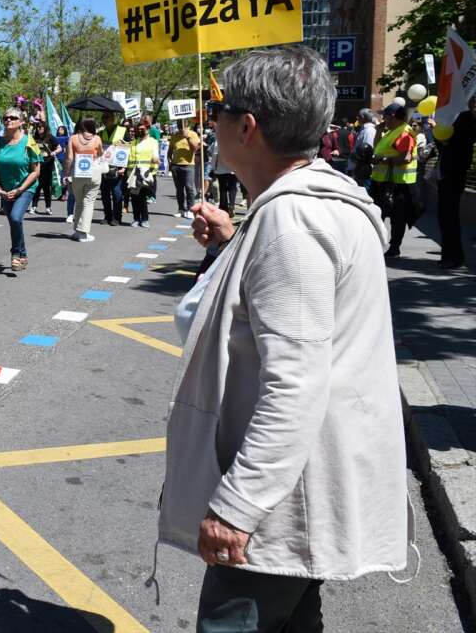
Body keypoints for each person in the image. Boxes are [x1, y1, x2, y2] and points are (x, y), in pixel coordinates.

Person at [159, 46, 407, 631]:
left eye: (217, 110)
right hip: (299, 484)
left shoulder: (291, 221)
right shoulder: (314, 203)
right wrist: (231, 243)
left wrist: (238, 506)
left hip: (278, 501)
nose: (208, 121)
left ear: (247, 127)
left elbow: (294, 384)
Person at [0, 107, 42, 271]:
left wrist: (20, 189)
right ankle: (23, 255)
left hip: (25, 188)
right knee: (14, 222)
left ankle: (15, 254)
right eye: (5, 118)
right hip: (5, 190)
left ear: (22, 122)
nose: (8, 120)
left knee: (16, 218)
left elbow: (35, 171)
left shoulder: (29, 142)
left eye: (12, 117)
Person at [432, 95, 475, 270]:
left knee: (449, 217)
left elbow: (457, 144)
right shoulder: (455, 121)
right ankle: (449, 255)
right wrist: (437, 133)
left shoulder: (465, 120)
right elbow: (443, 147)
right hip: (446, 175)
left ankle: (454, 257)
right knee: (444, 217)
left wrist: (445, 131)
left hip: (453, 174)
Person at [370, 103, 417, 259]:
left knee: (397, 219)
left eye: (386, 116)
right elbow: (377, 148)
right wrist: (378, 131)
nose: (383, 119)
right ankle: (374, 245)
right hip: (383, 182)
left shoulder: (404, 133)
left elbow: (406, 157)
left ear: (393, 117)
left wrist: (385, 160)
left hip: (397, 184)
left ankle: (394, 248)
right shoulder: (392, 132)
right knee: (377, 214)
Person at [65, 117, 103, 242]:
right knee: (89, 202)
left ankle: (77, 230)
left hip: (78, 173)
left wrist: (66, 173)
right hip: (93, 173)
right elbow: (100, 154)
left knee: (79, 201)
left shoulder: (73, 138)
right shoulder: (97, 139)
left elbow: (69, 158)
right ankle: (83, 233)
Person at [126, 120, 159, 228]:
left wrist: (155, 159)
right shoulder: (133, 142)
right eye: (138, 129)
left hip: (146, 174)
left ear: (147, 129)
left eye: (142, 129)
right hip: (133, 173)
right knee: (135, 198)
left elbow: (155, 155)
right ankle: (136, 219)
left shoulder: (152, 141)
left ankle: (144, 219)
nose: (140, 130)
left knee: (143, 197)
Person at [98, 111, 127, 226]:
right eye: (103, 117)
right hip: (104, 167)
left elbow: (127, 150)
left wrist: (123, 168)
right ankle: (107, 216)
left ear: (113, 118)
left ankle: (117, 217)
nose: (105, 119)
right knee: (105, 194)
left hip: (117, 167)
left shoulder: (122, 131)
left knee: (116, 193)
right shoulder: (100, 133)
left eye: (107, 117)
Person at [168, 119, 201, 218]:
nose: (179, 126)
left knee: (189, 188)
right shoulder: (174, 136)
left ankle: (190, 209)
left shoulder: (193, 134)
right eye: (178, 124)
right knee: (179, 189)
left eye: (181, 124)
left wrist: (187, 137)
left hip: (188, 165)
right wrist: (170, 162)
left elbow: (195, 148)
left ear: (187, 125)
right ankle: (181, 209)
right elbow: (170, 151)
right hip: (176, 165)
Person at [30, 120, 60, 215]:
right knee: (36, 186)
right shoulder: (34, 138)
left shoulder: (50, 137)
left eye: (41, 127)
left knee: (47, 187)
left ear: (45, 128)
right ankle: (33, 206)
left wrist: (54, 152)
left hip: (48, 164)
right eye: (38, 127)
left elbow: (60, 148)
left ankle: (48, 207)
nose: (39, 129)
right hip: (37, 164)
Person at [347, 108, 378, 183]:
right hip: (357, 169)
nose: (357, 118)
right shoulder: (364, 130)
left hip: (361, 171)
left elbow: (366, 153)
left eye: (358, 116)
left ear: (363, 117)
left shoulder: (369, 131)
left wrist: (356, 169)